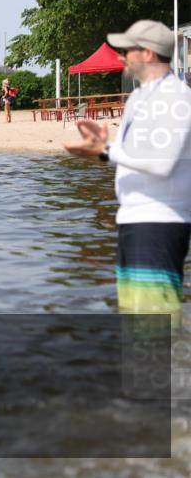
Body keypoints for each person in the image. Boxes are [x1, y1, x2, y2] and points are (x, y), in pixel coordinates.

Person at [65, 20, 191, 323]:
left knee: (152, 322)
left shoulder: (178, 97)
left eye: (128, 49)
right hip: (133, 218)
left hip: (161, 221)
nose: (122, 56)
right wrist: (103, 143)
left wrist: (106, 152)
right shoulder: (138, 98)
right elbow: (132, 154)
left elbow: (162, 162)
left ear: (147, 54)